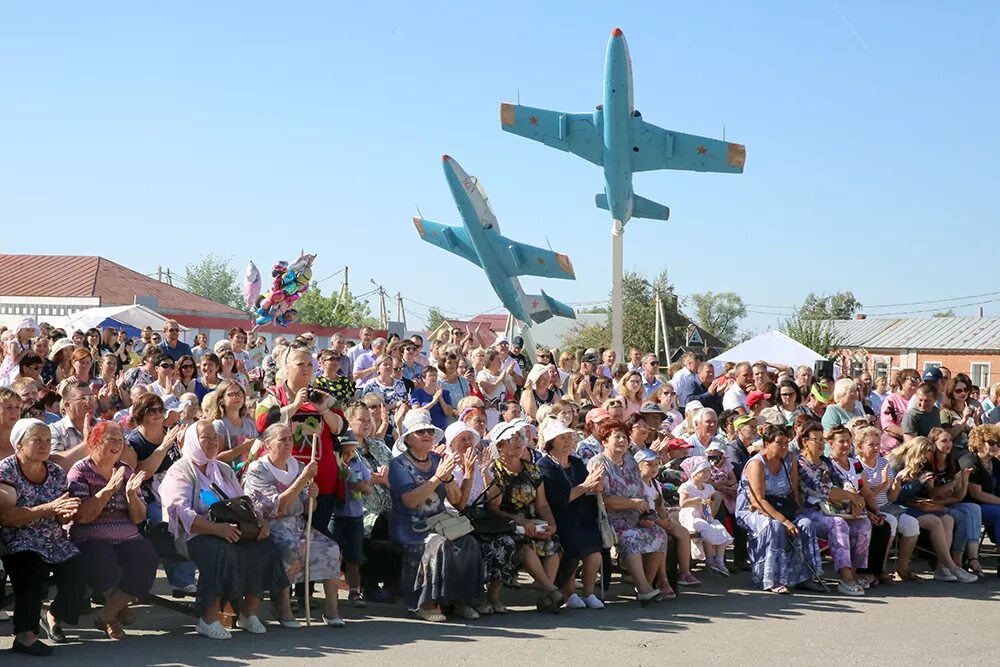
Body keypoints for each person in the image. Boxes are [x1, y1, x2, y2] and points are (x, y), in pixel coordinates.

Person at [159, 420, 287, 639]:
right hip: (194, 534)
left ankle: (247, 612)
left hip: (230, 528)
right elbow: (181, 512)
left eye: (214, 437)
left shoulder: (223, 469)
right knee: (221, 550)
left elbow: (244, 501)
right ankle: (208, 618)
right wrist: (217, 529)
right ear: (193, 441)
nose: (212, 442)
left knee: (265, 546)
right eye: (205, 437)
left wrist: (259, 522)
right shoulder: (180, 471)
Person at [243, 423, 344, 628]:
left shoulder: (297, 465)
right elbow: (277, 506)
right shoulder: (258, 470)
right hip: (271, 526)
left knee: (331, 548)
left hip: (297, 524)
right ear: (268, 444)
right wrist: (302, 480)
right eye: (282, 440)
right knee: (290, 549)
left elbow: (309, 508)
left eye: (290, 439)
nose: (288, 443)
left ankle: (331, 609)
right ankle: (283, 606)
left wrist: (312, 496)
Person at [388, 410, 484, 622]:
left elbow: (457, 502)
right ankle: (425, 603)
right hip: (411, 525)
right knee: (437, 544)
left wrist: (451, 478)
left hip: (439, 521)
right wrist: (437, 477)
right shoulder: (398, 465)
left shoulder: (437, 459)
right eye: (420, 431)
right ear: (408, 439)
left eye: (429, 431)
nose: (427, 435)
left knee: (468, 542)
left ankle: (460, 601)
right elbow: (410, 501)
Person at [0, 419, 86, 655]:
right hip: (18, 538)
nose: (44, 445)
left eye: (48, 440)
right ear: (19, 444)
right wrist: (50, 509)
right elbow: (6, 516)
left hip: (53, 539)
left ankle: (55, 614)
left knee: (79, 569)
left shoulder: (56, 471)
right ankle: (25, 637)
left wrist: (65, 514)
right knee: (31, 570)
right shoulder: (6, 470)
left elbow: (60, 513)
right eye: (36, 440)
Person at [66, 421, 159, 640]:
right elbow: (82, 517)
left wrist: (131, 496)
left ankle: (107, 614)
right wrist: (106, 491)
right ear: (95, 442)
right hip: (90, 535)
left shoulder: (126, 470)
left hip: (126, 534)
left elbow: (138, 517)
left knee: (146, 557)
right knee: (101, 561)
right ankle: (117, 608)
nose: (118, 444)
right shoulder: (80, 471)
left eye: (121, 440)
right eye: (112, 439)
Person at [256, 346, 346, 543]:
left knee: (318, 536)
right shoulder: (273, 395)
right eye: (300, 364)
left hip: (321, 479)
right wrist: (294, 406)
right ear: (287, 367)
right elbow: (262, 422)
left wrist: (323, 410)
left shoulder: (324, 396)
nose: (306, 369)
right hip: (285, 482)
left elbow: (340, 427)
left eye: (309, 365)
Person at [478, 419, 565, 613]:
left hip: (532, 521)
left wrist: (551, 524)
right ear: (500, 446)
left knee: (553, 543)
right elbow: (494, 508)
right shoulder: (495, 470)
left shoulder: (532, 470)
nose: (518, 442)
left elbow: (542, 504)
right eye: (511, 439)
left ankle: (546, 598)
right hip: (505, 522)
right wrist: (520, 521)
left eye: (519, 437)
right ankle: (551, 590)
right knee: (523, 544)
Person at [736, 425, 823, 594]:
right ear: (767, 444)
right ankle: (771, 579)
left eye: (786, 443)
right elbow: (758, 500)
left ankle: (804, 577)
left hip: (781, 507)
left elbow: (794, 491)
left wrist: (796, 513)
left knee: (805, 523)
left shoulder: (788, 460)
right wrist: (784, 521)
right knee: (774, 526)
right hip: (752, 509)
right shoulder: (757, 464)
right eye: (779, 443)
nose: (784, 447)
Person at [588, 419, 665, 604]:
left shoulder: (630, 461)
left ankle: (643, 585)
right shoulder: (598, 463)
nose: (622, 440)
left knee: (660, 534)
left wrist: (647, 516)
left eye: (624, 436)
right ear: (605, 441)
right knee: (630, 536)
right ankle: (645, 588)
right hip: (610, 519)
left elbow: (641, 492)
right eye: (617, 437)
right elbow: (603, 501)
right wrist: (632, 504)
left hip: (635, 514)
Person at [889, 437, 978, 583]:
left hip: (914, 504)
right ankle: (951, 566)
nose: (926, 459)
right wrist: (919, 483)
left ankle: (942, 567)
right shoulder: (896, 464)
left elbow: (924, 493)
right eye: (924, 454)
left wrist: (927, 486)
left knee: (948, 519)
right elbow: (895, 496)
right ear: (916, 451)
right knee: (935, 522)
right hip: (899, 506)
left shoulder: (920, 465)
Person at [537, 419, 605, 609]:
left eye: (569, 437)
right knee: (573, 541)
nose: (567, 441)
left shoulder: (575, 462)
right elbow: (558, 499)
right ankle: (569, 592)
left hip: (581, 514)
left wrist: (596, 484)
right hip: (559, 515)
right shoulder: (545, 466)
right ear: (551, 441)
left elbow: (588, 487)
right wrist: (585, 486)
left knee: (594, 547)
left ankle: (589, 593)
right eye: (562, 438)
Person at [796, 425, 870, 595]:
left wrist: (852, 495)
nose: (821, 443)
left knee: (863, 523)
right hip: (809, 511)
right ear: (805, 442)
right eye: (817, 440)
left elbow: (842, 481)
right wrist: (851, 497)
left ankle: (855, 572)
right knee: (838, 524)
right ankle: (846, 578)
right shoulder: (800, 464)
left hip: (833, 508)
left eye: (823, 439)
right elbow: (820, 489)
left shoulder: (826, 462)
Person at [854, 424, 920, 581]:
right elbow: (862, 497)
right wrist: (883, 484)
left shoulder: (884, 463)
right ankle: (880, 569)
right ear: (860, 446)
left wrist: (896, 483)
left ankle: (902, 569)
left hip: (887, 506)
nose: (876, 448)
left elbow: (891, 497)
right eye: (871, 444)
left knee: (912, 524)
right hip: (869, 509)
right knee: (889, 522)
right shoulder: (856, 465)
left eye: (878, 444)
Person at [924, 428, 984, 576]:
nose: (949, 444)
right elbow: (931, 494)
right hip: (932, 505)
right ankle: (957, 560)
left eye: (950, 440)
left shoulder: (953, 462)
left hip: (948, 502)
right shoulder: (927, 464)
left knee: (973, 508)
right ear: (933, 443)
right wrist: (951, 486)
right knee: (965, 516)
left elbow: (959, 496)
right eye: (944, 441)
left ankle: (967, 557)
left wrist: (964, 482)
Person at [678, 459, 734, 576]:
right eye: (704, 471)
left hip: (704, 514)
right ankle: (710, 560)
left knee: (719, 527)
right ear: (695, 472)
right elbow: (682, 503)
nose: (707, 474)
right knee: (706, 528)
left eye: (709, 471)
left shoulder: (708, 487)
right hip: (690, 516)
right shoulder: (687, 486)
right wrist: (695, 500)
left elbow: (711, 501)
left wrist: (709, 508)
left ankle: (719, 560)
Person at [959, 424, 1000, 550]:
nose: (996, 446)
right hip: (971, 506)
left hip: (992, 504)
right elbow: (977, 494)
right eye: (991, 443)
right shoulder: (970, 462)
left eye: (998, 443)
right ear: (979, 442)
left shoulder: (995, 463)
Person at [211, 380, 259, 468]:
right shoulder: (219, 425)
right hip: (228, 476)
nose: (236, 397)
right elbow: (216, 458)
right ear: (221, 400)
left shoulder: (249, 423)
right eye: (231, 394)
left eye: (239, 393)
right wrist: (244, 446)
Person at [880, 369, 920, 454]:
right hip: (893, 446)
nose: (916, 382)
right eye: (913, 379)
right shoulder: (891, 400)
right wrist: (910, 435)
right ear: (903, 382)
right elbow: (888, 426)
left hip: (915, 445)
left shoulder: (920, 401)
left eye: (918, 379)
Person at [939, 373, 981, 453]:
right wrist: (964, 420)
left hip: (974, 451)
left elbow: (981, 437)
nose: (963, 393)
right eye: (958, 391)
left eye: (966, 390)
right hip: (956, 452)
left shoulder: (972, 410)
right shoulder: (946, 413)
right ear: (952, 393)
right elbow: (947, 436)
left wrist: (977, 421)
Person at [477, 348, 516, 429]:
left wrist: (506, 378)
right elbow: (489, 390)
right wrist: (500, 378)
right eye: (497, 360)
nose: (500, 362)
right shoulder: (483, 374)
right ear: (490, 361)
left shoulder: (502, 374)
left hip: (500, 412)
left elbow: (512, 392)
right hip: (488, 413)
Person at [409, 365, 455, 430]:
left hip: (442, 431)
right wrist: (433, 402)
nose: (433, 377)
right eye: (430, 376)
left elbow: (448, 413)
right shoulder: (417, 393)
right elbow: (416, 412)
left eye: (435, 375)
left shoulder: (445, 393)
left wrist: (441, 399)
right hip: (425, 430)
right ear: (423, 379)